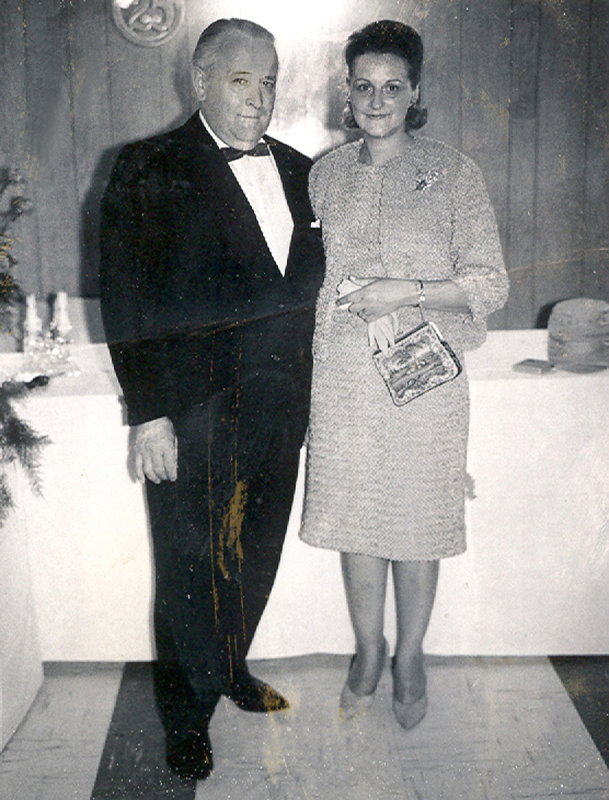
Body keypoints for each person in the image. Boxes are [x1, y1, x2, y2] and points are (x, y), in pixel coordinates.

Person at [99, 18, 324, 780]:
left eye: (269, 82)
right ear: (200, 81)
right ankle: (186, 717)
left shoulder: (300, 170)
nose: (258, 99)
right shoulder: (147, 166)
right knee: (190, 568)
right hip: (192, 412)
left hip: (279, 409)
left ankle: (229, 669)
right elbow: (126, 300)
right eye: (240, 80)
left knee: (255, 552)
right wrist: (147, 415)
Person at [299, 20, 509, 730]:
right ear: (347, 90)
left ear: (415, 91)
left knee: (417, 522)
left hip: (425, 382)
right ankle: (369, 649)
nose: (377, 100)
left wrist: (405, 291)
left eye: (393, 87)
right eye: (364, 86)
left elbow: (489, 284)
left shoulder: (454, 173)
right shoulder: (324, 176)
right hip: (344, 381)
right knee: (359, 521)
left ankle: (410, 656)